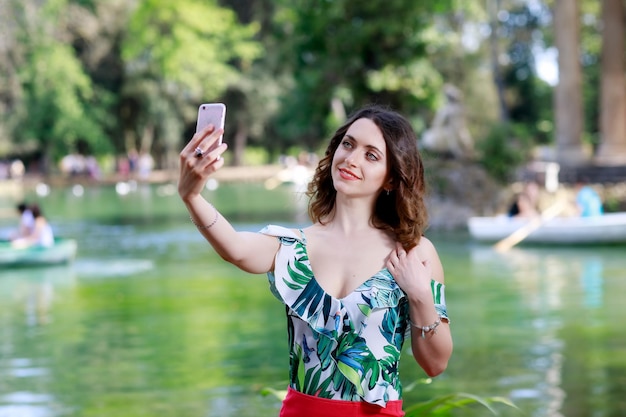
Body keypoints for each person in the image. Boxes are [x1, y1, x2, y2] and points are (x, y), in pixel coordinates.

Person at [178, 104, 453, 417]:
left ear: (391, 179)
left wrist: (419, 296)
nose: (351, 159)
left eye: (371, 154)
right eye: (348, 144)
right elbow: (236, 248)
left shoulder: (413, 253)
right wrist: (192, 197)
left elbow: (435, 364)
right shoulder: (294, 247)